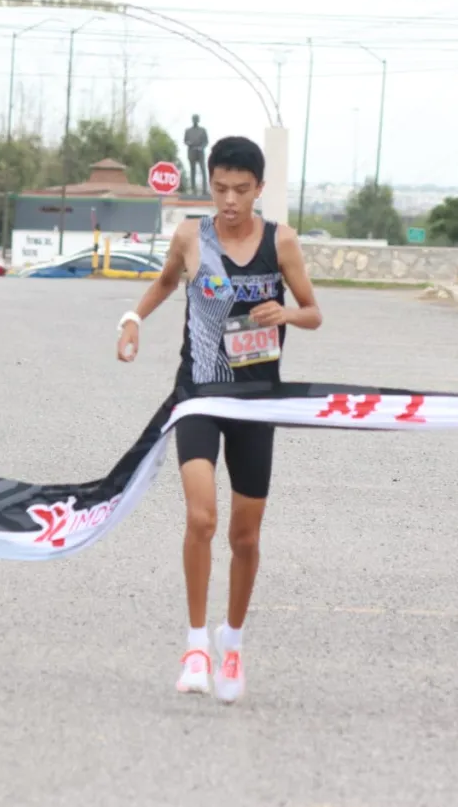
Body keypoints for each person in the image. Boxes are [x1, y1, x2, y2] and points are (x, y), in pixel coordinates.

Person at [116, 136, 323, 703]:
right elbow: (164, 283)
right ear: (210, 185)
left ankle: (232, 645)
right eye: (219, 188)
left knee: (245, 534)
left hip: (257, 400)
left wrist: (288, 313)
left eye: (240, 190)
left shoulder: (281, 242)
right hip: (200, 395)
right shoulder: (190, 236)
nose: (228, 201)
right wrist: (132, 318)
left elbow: (314, 312)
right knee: (202, 518)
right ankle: (195, 645)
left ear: (258, 189)